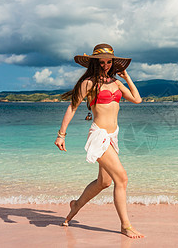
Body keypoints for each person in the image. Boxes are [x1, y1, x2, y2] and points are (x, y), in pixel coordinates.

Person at [54, 43, 144, 238]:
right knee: (122, 178)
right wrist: (61, 135)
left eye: (109, 62)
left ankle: (75, 205)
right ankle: (125, 225)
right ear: (95, 63)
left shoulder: (117, 83)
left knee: (104, 182)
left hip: (113, 136)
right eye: (101, 62)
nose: (105, 65)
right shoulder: (89, 83)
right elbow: (72, 107)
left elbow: (137, 99)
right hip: (99, 136)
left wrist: (126, 76)